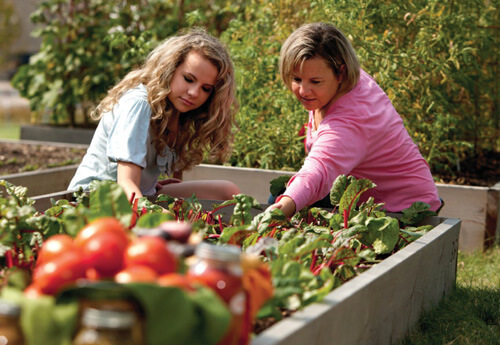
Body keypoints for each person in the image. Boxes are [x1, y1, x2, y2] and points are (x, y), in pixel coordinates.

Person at [267, 22, 441, 217]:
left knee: (282, 200)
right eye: (296, 79)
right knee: (284, 195)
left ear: (340, 73)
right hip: (367, 198)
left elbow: (320, 171)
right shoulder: (336, 86)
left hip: (402, 210)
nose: (303, 91)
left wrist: (282, 210)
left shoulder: (352, 118)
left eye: (315, 81)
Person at [68, 29, 241, 202]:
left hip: (139, 195)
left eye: (206, 88)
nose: (194, 92)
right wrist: (162, 219)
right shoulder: (139, 104)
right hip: (97, 199)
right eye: (188, 79)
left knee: (227, 191)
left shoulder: (179, 113)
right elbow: (125, 182)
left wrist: (150, 183)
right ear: (169, 69)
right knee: (170, 223)